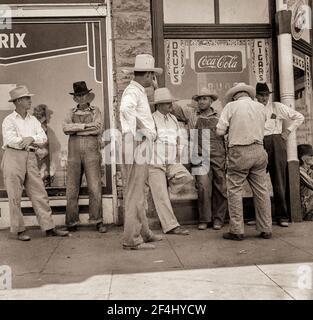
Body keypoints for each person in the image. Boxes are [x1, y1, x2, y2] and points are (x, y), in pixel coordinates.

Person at [1, 85, 69, 241]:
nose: (30, 101)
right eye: (27, 98)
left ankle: (49, 227)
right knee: (14, 195)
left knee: (39, 193)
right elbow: (10, 140)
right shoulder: (9, 120)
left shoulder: (33, 120)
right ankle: (19, 230)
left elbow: (43, 139)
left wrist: (31, 139)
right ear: (18, 101)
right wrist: (27, 140)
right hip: (13, 157)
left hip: (31, 157)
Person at [216, 82, 272, 240]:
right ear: (248, 94)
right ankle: (266, 228)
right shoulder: (260, 107)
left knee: (234, 190)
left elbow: (220, 131)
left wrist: (229, 129)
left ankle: (237, 230)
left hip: (239, 152)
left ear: (235, 95)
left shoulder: (231, 107)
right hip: (259, 150)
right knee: (262, 190)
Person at [120, 54, 163, 250]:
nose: (153, 79)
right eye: (151, 75)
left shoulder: (138, 90)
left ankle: (143, 232)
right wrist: (140, 131)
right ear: (147, 75)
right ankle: (132, 239)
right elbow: (125, 109)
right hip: (137, 142)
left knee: (140, 191)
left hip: (138, 142)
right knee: (135, 192)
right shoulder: (132, 92)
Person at [172, 88, 228, 230]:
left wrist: (227, 156)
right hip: (199, 153)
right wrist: (156, 88)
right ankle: (204, 219)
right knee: (203, 187)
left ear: (211, 101)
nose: (202, 101)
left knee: (220, 186)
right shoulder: (191, 114)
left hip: (218, 153)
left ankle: (218, 219)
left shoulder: (220, 116)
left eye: (205, 99)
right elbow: (172, 108)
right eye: (199, 99)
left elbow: (226, 136)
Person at [255, 82, 304, 227]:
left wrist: (287, 132)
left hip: (276, 141)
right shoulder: (253, 108)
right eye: (261, 95)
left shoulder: (276, 106)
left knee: (279, 181)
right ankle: (261, 217)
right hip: (258, 143)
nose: (264, 98)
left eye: (266, 95)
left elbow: (299, 117)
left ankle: (282, 216)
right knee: (257, 180)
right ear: (256, 96)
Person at [63, 81, 107, 233]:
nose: (81, 98)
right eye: (78, 96)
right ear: (75, 98)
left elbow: (98, 129)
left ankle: (97, 220)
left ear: (88, 96)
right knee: (71, 188)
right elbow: (65, 128)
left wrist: (76, 130)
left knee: (95, 187)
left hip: (92, 153)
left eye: (83, 95)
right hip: (73, 155)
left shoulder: (96, 111)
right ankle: (71, 222)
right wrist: (86, 127)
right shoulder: (70, 112)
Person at [149, 87, 191, 236]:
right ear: (159, 105)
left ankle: (168, 186)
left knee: (185, 177)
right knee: (161, 196)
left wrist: (178, 155)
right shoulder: (151, 119)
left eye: (170, 103)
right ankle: (171, 226)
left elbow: (178, 139)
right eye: (167, 103)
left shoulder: (173, 118)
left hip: (171, 158)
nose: (170, 106)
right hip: (156, 160)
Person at [298, 144, 313, 221]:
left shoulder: (309, 170)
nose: (312, 157)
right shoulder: (299, 171)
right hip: (303, 206)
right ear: (303, 158)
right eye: (311, 155)